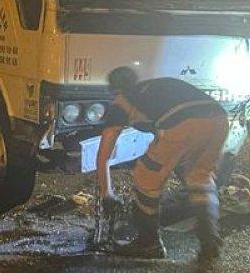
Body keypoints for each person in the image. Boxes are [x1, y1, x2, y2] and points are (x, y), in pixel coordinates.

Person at [95, 66, 229, 260]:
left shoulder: (121, 102)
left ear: (114, 90)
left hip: (182, 121)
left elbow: (104, 155)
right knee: (200, 177)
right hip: (219, 118)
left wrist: (107, 193)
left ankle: (148, 243)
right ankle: (210, 242)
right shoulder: (152, 88)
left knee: (145, 177)